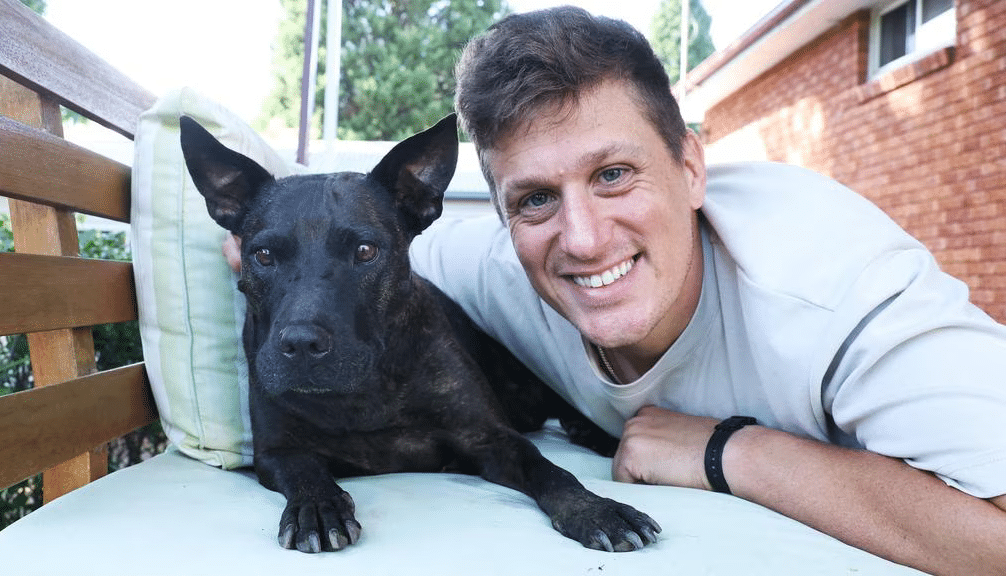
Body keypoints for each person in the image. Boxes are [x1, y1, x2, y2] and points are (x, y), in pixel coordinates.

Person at [223, 6, 1005, 572]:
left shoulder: (843, 291)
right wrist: (265, 261)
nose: (584, 237)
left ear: (692, 168)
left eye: (614, 174)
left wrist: (731, 451)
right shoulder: (492, 267)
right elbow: (350, 250)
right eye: (534, 198)